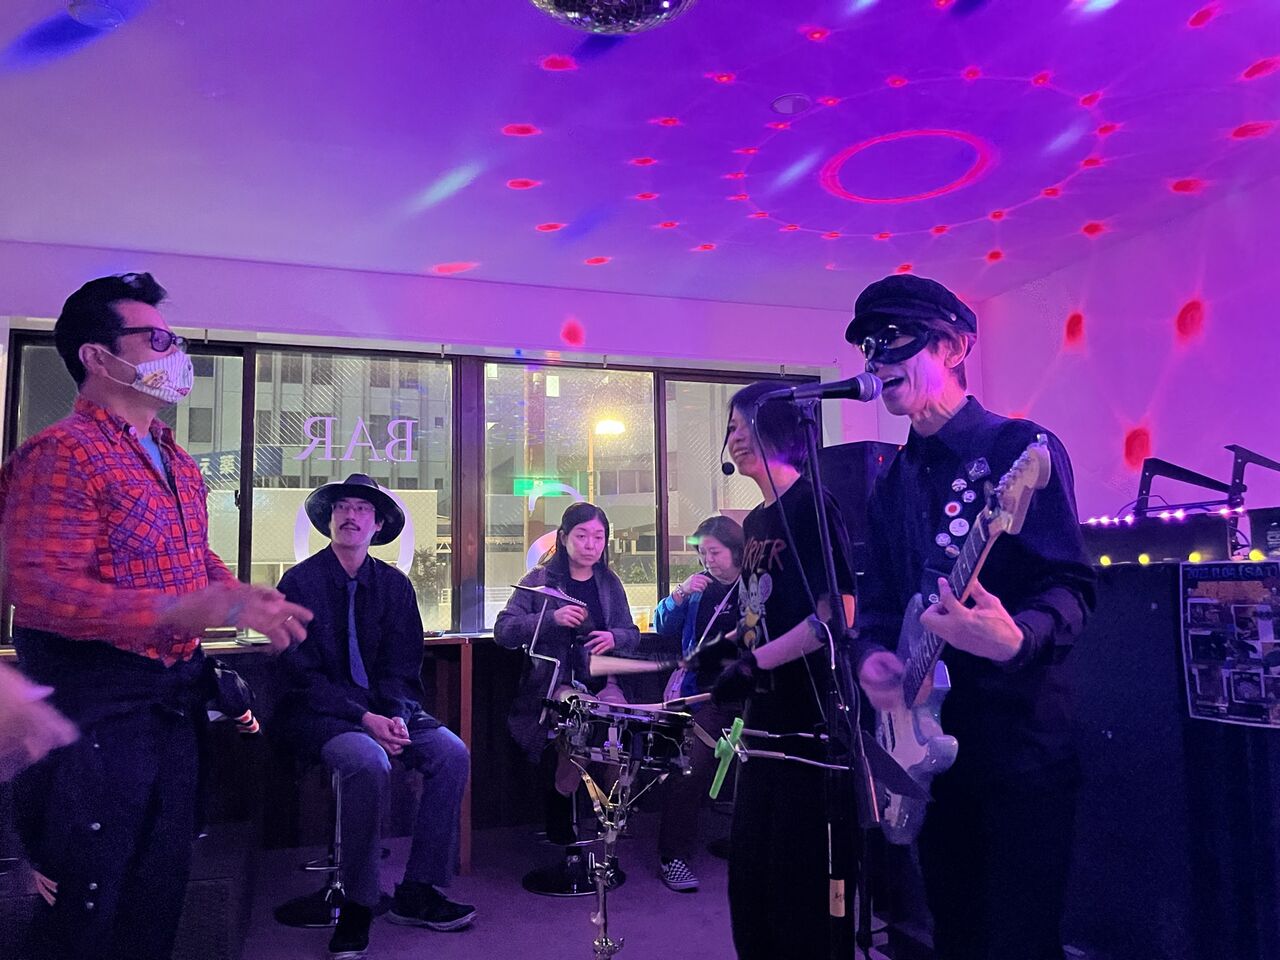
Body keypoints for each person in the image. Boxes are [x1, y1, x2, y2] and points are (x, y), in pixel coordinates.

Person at [0, 272, 311, 960]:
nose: (178, 355)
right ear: (97, 355)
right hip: (96, 709)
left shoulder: (175, 458)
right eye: (159, 340)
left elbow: (190, 556)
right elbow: (43, 589)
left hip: (171, 703)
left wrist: (238, 594)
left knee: (158, 891)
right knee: (86, 906)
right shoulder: (61, 453)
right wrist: (178, 608)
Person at [849, 274, 1096, 960]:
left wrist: (1016, 639)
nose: (877, 358)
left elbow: (1072, 586)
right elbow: (878, 602)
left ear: (954, 347)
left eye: (896, 338)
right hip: (926, 752)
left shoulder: (1019, 450)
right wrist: (872, 658)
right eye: (869, 346)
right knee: (953, 934)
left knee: (1019, 940)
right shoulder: (891, 480)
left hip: (1017, 746)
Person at [274, 473, 474, 959]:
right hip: (320, 714)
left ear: (378, 524)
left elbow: (402, 668)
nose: (351, 516)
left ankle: (418, 890)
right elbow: (300, 676)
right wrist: (365, 719)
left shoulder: (395, 586)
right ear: (329, 519)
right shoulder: (298, 583)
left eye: (362, 509)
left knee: (451, 753)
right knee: (367, 760)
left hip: (384, 711)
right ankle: (359, 902)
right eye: (342, 507)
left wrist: (395, 716)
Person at [711, 382, 858, 960]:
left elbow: (838, 614)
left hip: (808, 731)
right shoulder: (754, 521)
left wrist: (755, 663)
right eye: (730, 427)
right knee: (750, 889)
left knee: (796, 895)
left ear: (777, 426)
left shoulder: (813, 506)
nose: (735, 436)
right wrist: (718, 657)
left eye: (743, 423)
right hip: (761, 726)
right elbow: (758, 618)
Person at [494, 502, 640, 840]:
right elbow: (504, 631)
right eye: (582, 536)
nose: (591, 545)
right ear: (563, 538)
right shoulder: (540, 580)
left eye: (598, 537)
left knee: (621, 727)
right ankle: (562, 805)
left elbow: (631, 635)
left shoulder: (609, 583)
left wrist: (614, 637)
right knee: (581, 717)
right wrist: (551, 619)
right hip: (556, 683)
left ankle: (611, 814)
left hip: (605, 679)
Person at [651, 514, 744, 892]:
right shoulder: (699, 588)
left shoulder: (754, 586)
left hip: (751, 691)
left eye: (715, 552)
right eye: (703, 553)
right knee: (688, 765)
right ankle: (672, 856)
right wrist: (679, 593)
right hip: (703, 693)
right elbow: (662, 626)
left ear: (737, 551)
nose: (709, 560)